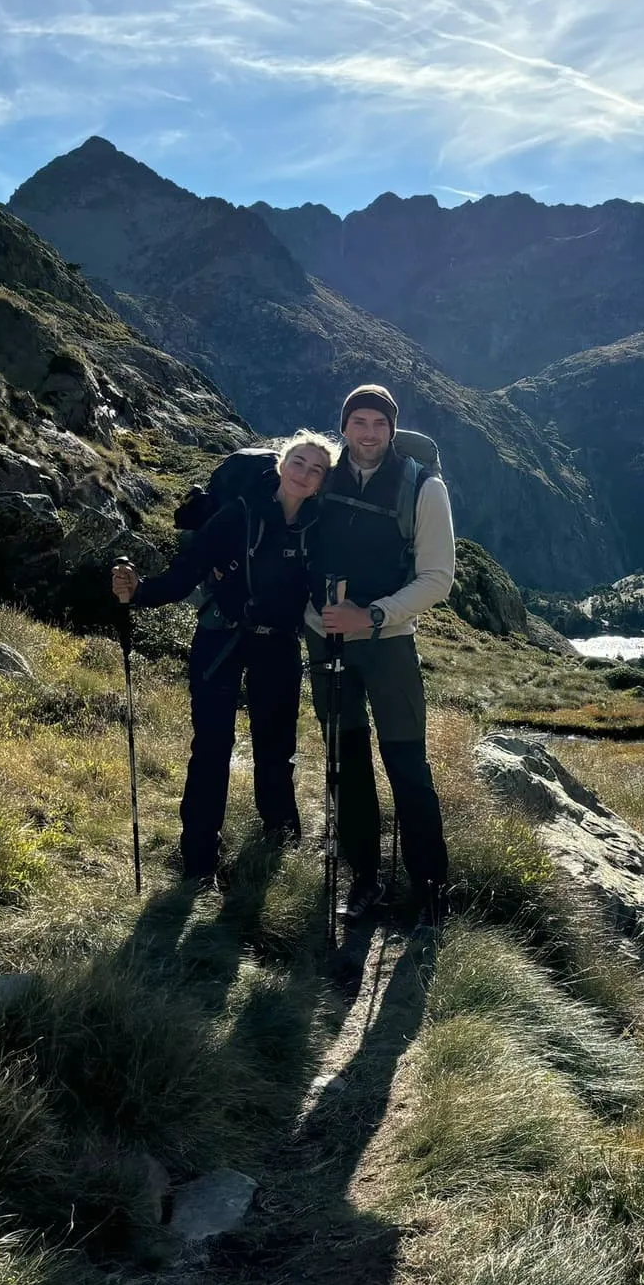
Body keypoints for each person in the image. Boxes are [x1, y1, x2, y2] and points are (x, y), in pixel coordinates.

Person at [112, 431, 336, 892]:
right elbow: (185, 572)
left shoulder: (320, 527)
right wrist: (138, 593)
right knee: (212, 747)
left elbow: (326, 588)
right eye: (299, 462)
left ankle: (279, 842)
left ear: (322, 482)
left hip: (277, 646)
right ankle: (199, 862)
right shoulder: (237, 515)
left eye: (316, 469)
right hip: (222, 639)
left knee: (277, 749)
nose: (305, 473)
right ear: (281, 465)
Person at [306, 383, 455, 923]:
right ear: (343, 426)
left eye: (379, 423)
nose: (369, 433)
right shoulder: (320, 476)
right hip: (325, 638)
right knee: (346, 763)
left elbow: (439, 577)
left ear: (393, 429)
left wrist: (370, 615)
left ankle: (431, 886)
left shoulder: (422, 488)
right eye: (359, 422)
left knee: (406, 762)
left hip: (387, 643)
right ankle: (365, 879)